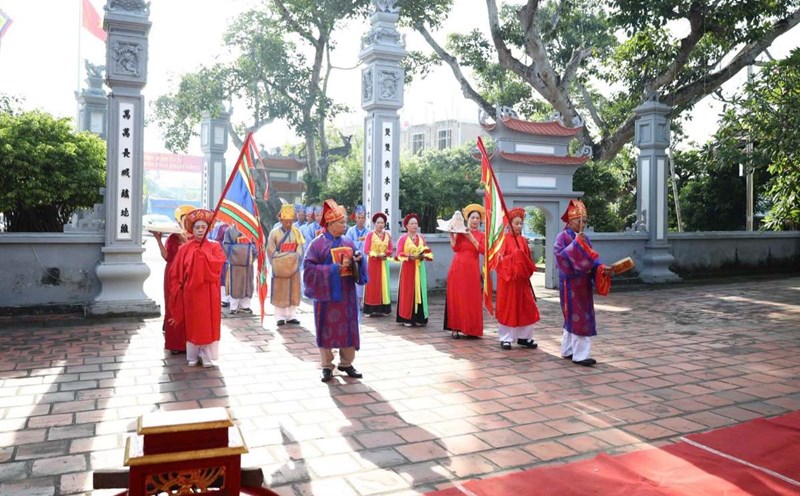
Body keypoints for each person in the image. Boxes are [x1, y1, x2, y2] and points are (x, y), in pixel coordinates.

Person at [303, 199, 367, 382]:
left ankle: (346, 362)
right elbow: (308, 269)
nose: (344, 225)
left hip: (346, 293)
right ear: (330, 224)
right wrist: (331, 270)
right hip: (327, 295)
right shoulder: (317, 244)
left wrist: (358, 259)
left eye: (345, 222)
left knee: (349, 326)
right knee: (326, 328)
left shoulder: (348, 241)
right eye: (341, 222)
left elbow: (357, 259)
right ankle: (326, 365)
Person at [168, 209, 227, 367]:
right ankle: (192, 355)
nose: (200, 230)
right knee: (193, 324)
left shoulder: (215, 246)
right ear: (191, 230)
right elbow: (177, 271)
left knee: (207, 324)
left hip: (209, 292)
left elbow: (218, 265)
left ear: (208, 229)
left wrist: (202, 257)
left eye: (204, 227)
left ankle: (206, 355)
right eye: (197, 227)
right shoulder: (184, 248)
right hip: (191, 292)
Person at [554, 199, 611, 366]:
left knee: (576, 317)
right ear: (570, 221)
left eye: (584, 221)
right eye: (579, 221)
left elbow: (593, 259)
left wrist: (601, 268)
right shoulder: (562, 237)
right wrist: (575, 244)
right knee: (577, 318)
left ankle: (567, 350)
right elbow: (560, 257)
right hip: (570, 284)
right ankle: (580, 355)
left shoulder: (585, 238)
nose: (582, 224)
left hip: (584, 284)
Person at [495, 207, 540, 350]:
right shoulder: (503, 241)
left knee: (525, 307)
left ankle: (524, 337)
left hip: (522, 281)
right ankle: (506, 338)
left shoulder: (523, 241)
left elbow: (528, 261)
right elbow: (498, 261)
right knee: (508, 307)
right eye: (517, 223)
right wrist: (514, 257)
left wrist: (523, 261)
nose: (520, 226)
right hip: (508, 281)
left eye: (521, 223)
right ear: (509, 224)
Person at [153, 204, 193, 354]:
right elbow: (167, 256)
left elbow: (195, 256)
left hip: (189, 276)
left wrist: (185, 241)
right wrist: (158, 240)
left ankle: (190, 343)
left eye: (188, 220)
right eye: (183, 219)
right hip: (172, 276)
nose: (185, 223)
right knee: (173, 306)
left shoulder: (195, 238)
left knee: (188, 308)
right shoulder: (172, 237)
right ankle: (175, 344)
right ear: (178, 221)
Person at [444, 204, 486, 339]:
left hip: (472, 270)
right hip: (457, 268)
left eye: (477, 218)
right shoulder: (461, 233)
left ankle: (471, 329)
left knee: (472, 299)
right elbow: (455, 248)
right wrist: (451, 234)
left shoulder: (482, 235)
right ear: (468, 219)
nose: (475, 220)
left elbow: (482, 250)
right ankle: (455, 328)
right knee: (456, 297)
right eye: (473, 217)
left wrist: (470, 237)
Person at [267, 204, 305, 326]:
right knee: (280, 291)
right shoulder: (274, 233)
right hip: (280, 267)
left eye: (291, 221)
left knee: (293, 290)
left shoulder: (297, 232)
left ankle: (291, 316)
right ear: (281, 220)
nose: (289, 223)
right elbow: (271, 250)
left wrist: (294, 258)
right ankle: (279, 316)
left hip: (293, 266)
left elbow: (300, 248)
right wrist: (282, 259)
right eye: (286, 221)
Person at [395, 213, 434, 327]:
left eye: (416, 223)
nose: (414, 226)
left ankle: (420, 317)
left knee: (420, 291)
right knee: (408, 291)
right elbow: (399, 254)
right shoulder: (403, 239)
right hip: (408, 269)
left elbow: (427, 250)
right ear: (406, 226)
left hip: (419, 268)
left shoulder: (421, 238)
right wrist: (409, 257)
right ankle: (407, 317)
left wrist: (424, 256)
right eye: (412, 223)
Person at [362, 212, 393, 316]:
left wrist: (386, 254)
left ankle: (384, 309)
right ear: (374, 224)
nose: (380, 225)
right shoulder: (370, 235)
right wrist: (376, 255)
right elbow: (366, 250)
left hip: (383, 263)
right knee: (372, 285)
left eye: (382, 222)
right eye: (378, 222)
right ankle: (369, 309)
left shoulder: (387, 235)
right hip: (373, 263)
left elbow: (390, 249)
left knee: (383, 284)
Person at [222, 223, 257, 315]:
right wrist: (244, 251)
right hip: (235, 263)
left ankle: (245, 306)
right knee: (235, 284)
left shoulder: (251, 228)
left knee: (247, 283)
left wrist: (251, 251)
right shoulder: (230, 230)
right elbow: (226, 245)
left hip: (248, 263)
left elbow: (256, 244)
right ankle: (233, 306)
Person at [345, 205, 369, 316]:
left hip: (365, 260)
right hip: (354, 259)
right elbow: (347, 244)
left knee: (364, 281)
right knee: (355, 282)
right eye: (359, 217)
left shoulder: (369, 232)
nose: (361, 219)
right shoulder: (350, 231)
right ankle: (355, 302)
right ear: (355, 218)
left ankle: (364, 302)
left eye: (363, 217)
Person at [210, 221, 231, 308]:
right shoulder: (220, 226)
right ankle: (223, 298)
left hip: (232, 256)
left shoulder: (233, 226)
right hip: (223, 255)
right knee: (223, 277)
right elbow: (216, 240)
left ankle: (228, 298)